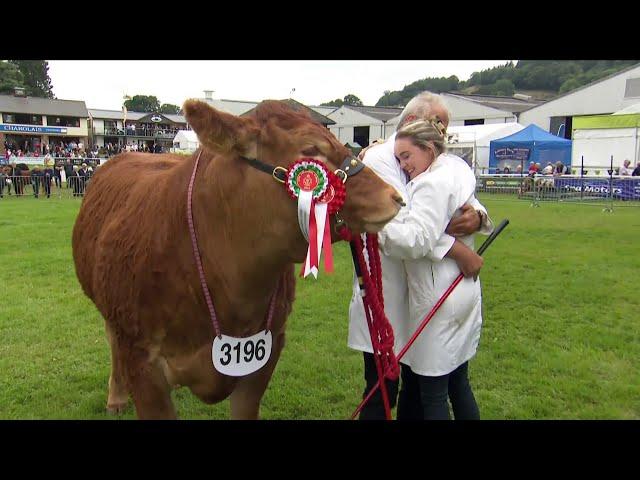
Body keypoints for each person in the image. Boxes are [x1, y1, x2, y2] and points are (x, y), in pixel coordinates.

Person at [347, 92, 493, 420]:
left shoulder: (439, 161)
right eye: (438, 124)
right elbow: (409, 224)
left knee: (428, 386)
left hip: (429, 288)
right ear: (414, 122)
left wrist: (478, 216)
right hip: (391, 289)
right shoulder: (384, 160)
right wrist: (456, 247)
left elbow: (460, 197)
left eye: (444, 128)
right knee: (383, 385)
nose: (442, 134)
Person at [377, 119, 486, 420]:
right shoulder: (452, 169)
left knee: (434, 391)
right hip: (462, 287)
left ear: (428, 148)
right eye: (398, 158)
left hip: (438, 295)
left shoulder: (429, 183)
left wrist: (375, 228)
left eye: (407, 156)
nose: (403, 165)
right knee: (458, 382)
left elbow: (417, 240)